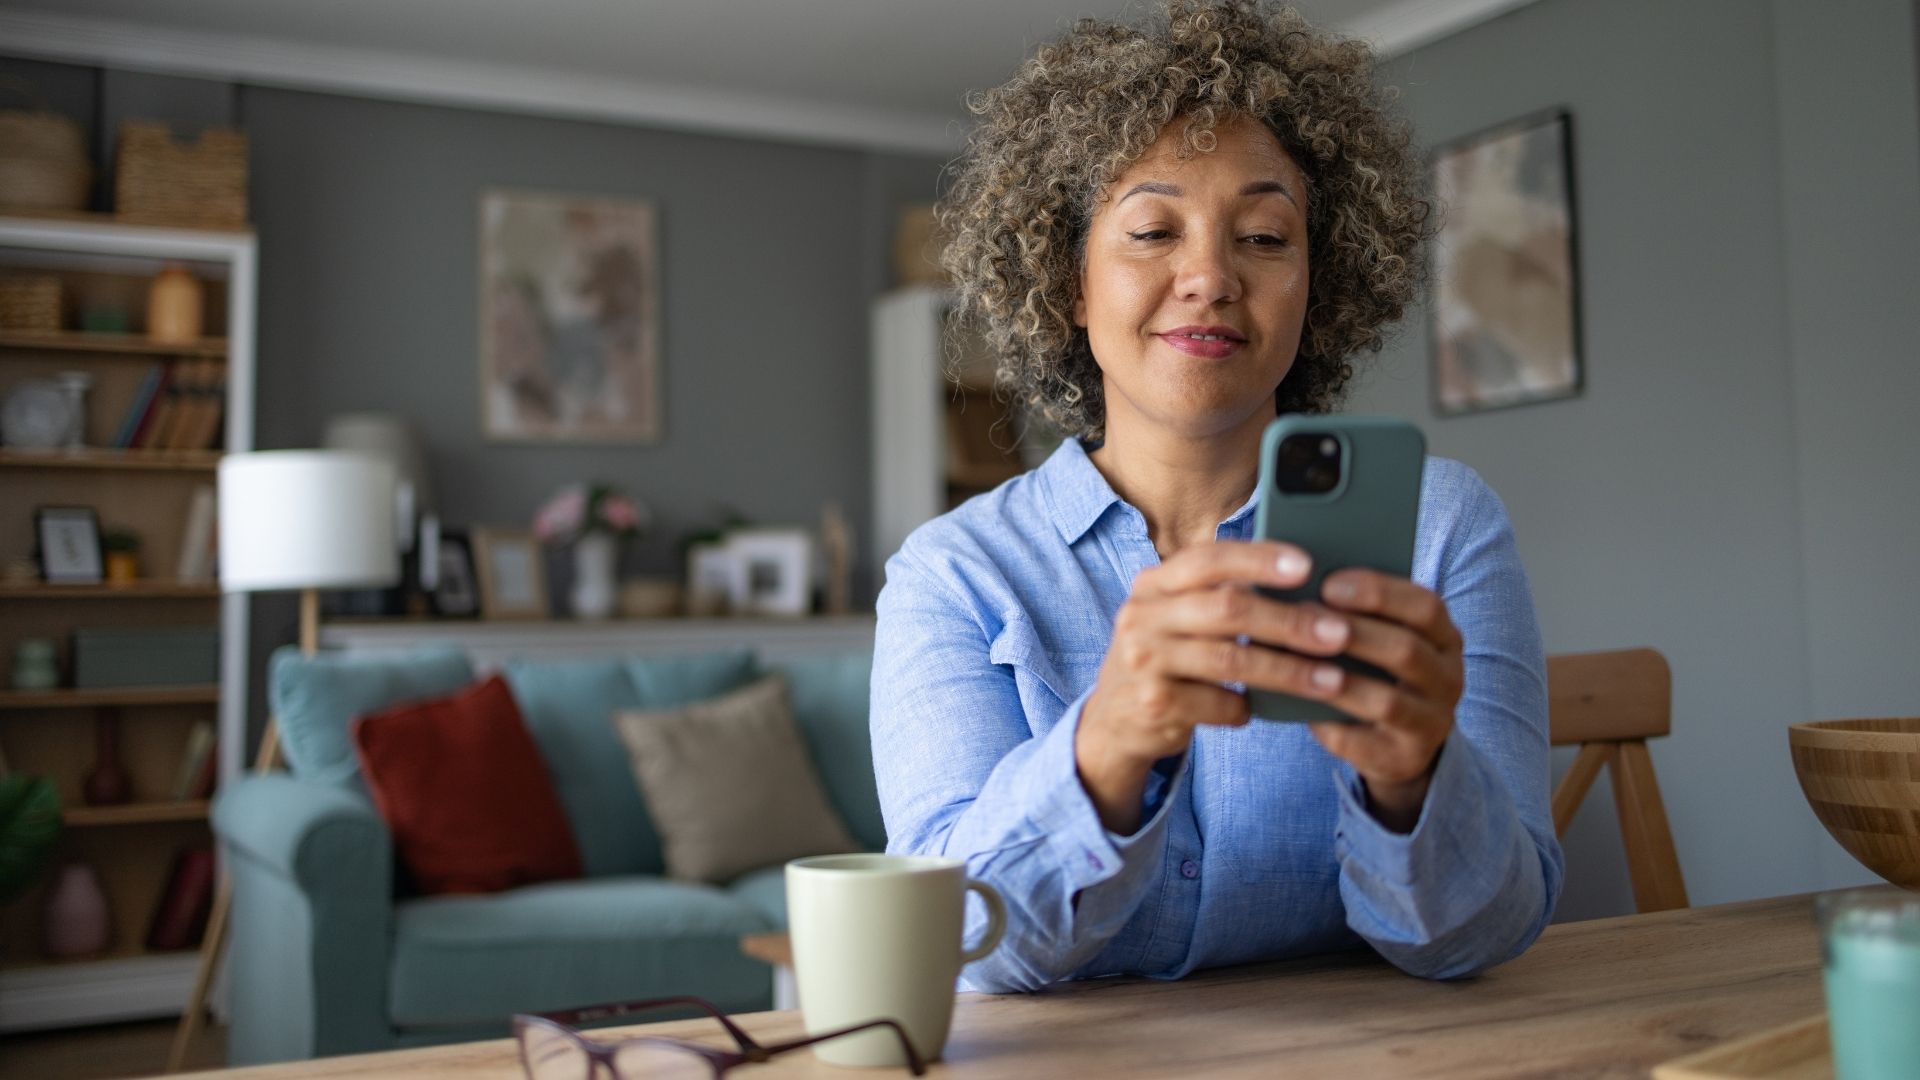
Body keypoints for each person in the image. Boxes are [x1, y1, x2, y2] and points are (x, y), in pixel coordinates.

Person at [870, 0, 1563, 992]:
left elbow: (1491, 932)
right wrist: (1105, 745)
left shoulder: (1440, 527)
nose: (1209, 276)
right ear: (1068, 281)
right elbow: (954, 945)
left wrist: (1413, 780)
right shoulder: (952, 574)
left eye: (1267, 238)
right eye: (1153, 229)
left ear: (1320, 283)